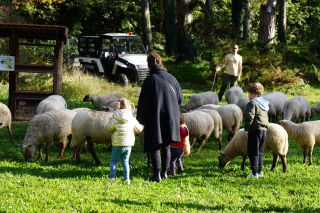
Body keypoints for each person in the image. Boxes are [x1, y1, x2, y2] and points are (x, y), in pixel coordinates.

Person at [137, 51, 183, 182]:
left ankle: (156, 175)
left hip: (154, 118)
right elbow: (180, 99)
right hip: (170, 118)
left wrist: (142, 118)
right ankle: (164, 173)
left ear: (149, 65)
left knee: (155, 146)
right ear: (160, 62)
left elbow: (143, 102)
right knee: (166, 146)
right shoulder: (172, 78)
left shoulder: (149, 80)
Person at [107, 98, 144, 185]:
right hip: (128, 144)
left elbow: (109, 128)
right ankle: (126, 179)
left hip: (117, 143)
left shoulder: (115, 117)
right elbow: (140, 129)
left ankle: (112, 177)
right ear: (128, 106)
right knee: (125, 161)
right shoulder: (131, 117)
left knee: (113, 161)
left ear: (119, 105)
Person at [244, 82, 269, 179]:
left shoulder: (252, 103)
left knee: (252, 151)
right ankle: (259, 171)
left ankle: (254, 173)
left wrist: (246, 130)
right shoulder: (264, 104)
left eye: (249, 94)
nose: (248, 96)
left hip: (255, 129)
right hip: (264, 130)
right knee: (260, 151)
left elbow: (250, 117)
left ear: (253, 94)